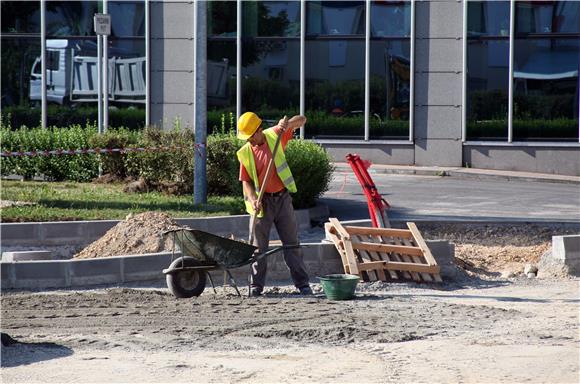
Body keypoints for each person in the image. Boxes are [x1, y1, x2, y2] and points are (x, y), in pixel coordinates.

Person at [237, 112, 312, 297]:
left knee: (292, 244)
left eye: (250, 137)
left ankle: (302, 284)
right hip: (262, 204)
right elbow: (245, 181)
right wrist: (253, 199)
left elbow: (302, 120)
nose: (249, 141)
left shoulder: (275, 135)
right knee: (258, 247)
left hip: (282, 199)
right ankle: (256, 286)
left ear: (258, 131)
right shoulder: (246, 152)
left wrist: (287, 125)